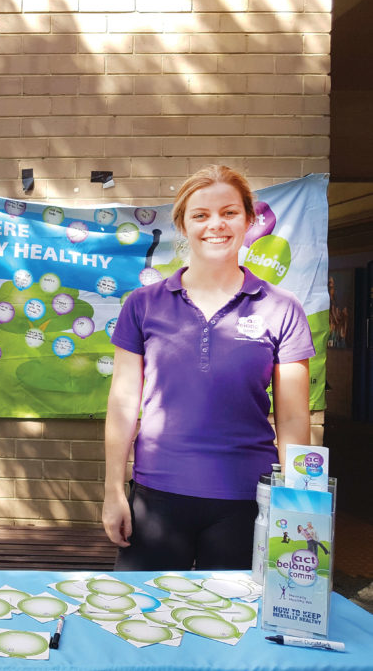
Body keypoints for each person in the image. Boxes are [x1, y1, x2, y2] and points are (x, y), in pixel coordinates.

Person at [102, 164, 315, 570]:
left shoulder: (282, 307)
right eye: (200, 215)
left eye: (229, 212)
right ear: (183, 225)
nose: (215, 224)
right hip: (155, 499)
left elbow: (292, 417)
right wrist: (114, 488)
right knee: (144, 624)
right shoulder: (143, 305)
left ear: (250, 220)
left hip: (245, 502)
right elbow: (124, 403)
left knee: (238, 628)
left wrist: (295, 504)